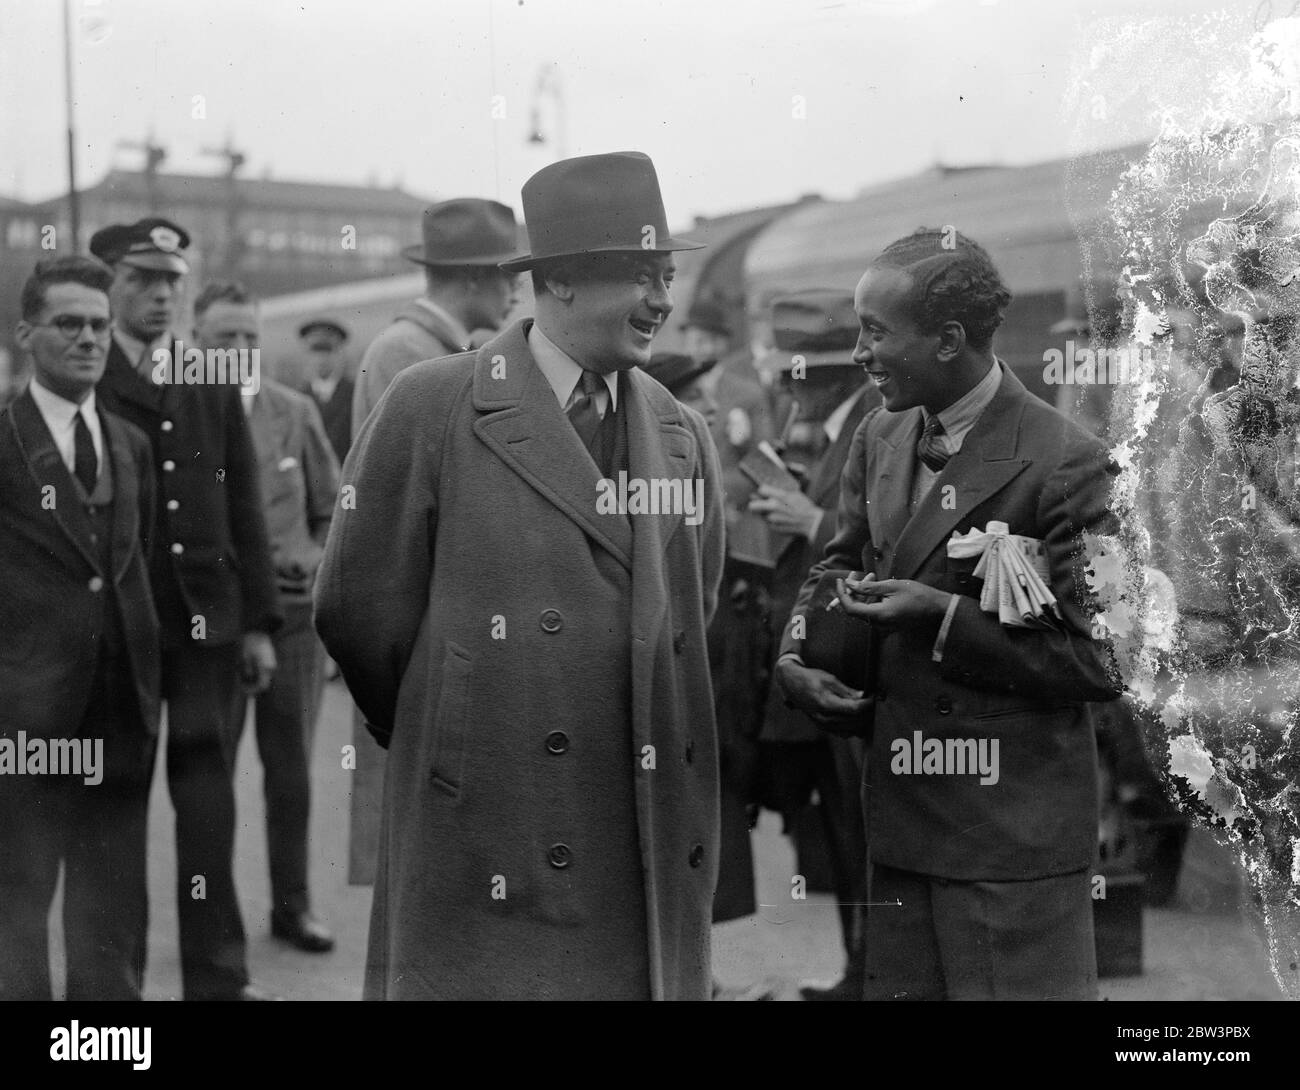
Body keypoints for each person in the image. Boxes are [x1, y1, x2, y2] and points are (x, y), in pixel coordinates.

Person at [316, 150, 725, 1000]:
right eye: (640, 276)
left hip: (635, 806)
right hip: (488, 810)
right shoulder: (435, 404)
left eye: (665, 275)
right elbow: (358, 607)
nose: (662, 299)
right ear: (563, 283)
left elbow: (696, 605)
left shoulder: (680, 432)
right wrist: (452, 719)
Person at [776, 228, 1121, 1001]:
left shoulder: (1072, 462)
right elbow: (837, 560)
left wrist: (940, 617)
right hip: (900, 824)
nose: (860, 352)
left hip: (1008, 846)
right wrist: (798, 657)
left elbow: (1106, 660)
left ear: (949, 340)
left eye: (875, 331)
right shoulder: (882, 433)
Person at [91, 218, 283, 1001]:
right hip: (120, 631)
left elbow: (245, 501)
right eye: (142, 278)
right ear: (109, 282)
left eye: (173, 279)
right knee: (115, 811)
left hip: (209, 623)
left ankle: (218, 978)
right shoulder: (87, 370)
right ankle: (114, 986)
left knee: (208, 804)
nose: (162, 293)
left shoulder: (209, 372)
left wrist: (263, 625)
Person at [344, 197, 521, 886]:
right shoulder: (407, 354)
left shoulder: (434, 350)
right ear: (475, 278)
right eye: (509, 276)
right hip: (419, 620)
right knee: (422, 853)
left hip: (442, 616)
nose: (515, 292)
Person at [0, 256, 160, 1000]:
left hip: (122, 713)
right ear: (26, 332)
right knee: (16, 901)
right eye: (69, 323)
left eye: (99, 324)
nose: (90, 338)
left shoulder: (129, 444)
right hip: (26, 719)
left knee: (113, 903)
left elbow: (139, 571)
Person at [193, 281, 341, 954]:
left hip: (292, 616)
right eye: (224, 336)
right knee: (210, 776)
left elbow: (333, 504)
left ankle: (294, 906)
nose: (239, 348)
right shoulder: (181, 418)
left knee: (291, 772)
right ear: (197, 343)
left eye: (249, 336)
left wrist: (312, 554)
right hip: (215, 625)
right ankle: (209, 921)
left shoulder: (293, 410)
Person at [749, 290, 878, 1001]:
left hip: (852, 663)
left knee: (858, 825)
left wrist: (809, 517)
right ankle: (859, 971)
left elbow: (882, 526)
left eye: (791, 374)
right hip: (830, 661)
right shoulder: (838, 428)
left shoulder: (870, 424)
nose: (781, 387)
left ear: (818, 377)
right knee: (842, 828)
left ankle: (870, 974)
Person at [350, 198, 521, 434]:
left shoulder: (428, 345)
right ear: (475, 277)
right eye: (510, 281)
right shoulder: (405, 350)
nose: (515, 297)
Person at [298, 317, 353, 464]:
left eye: (328, 350)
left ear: (340, 353)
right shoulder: (298, 398)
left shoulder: (354, 394)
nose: (321, 358)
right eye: (315, 351)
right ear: (307, 354)